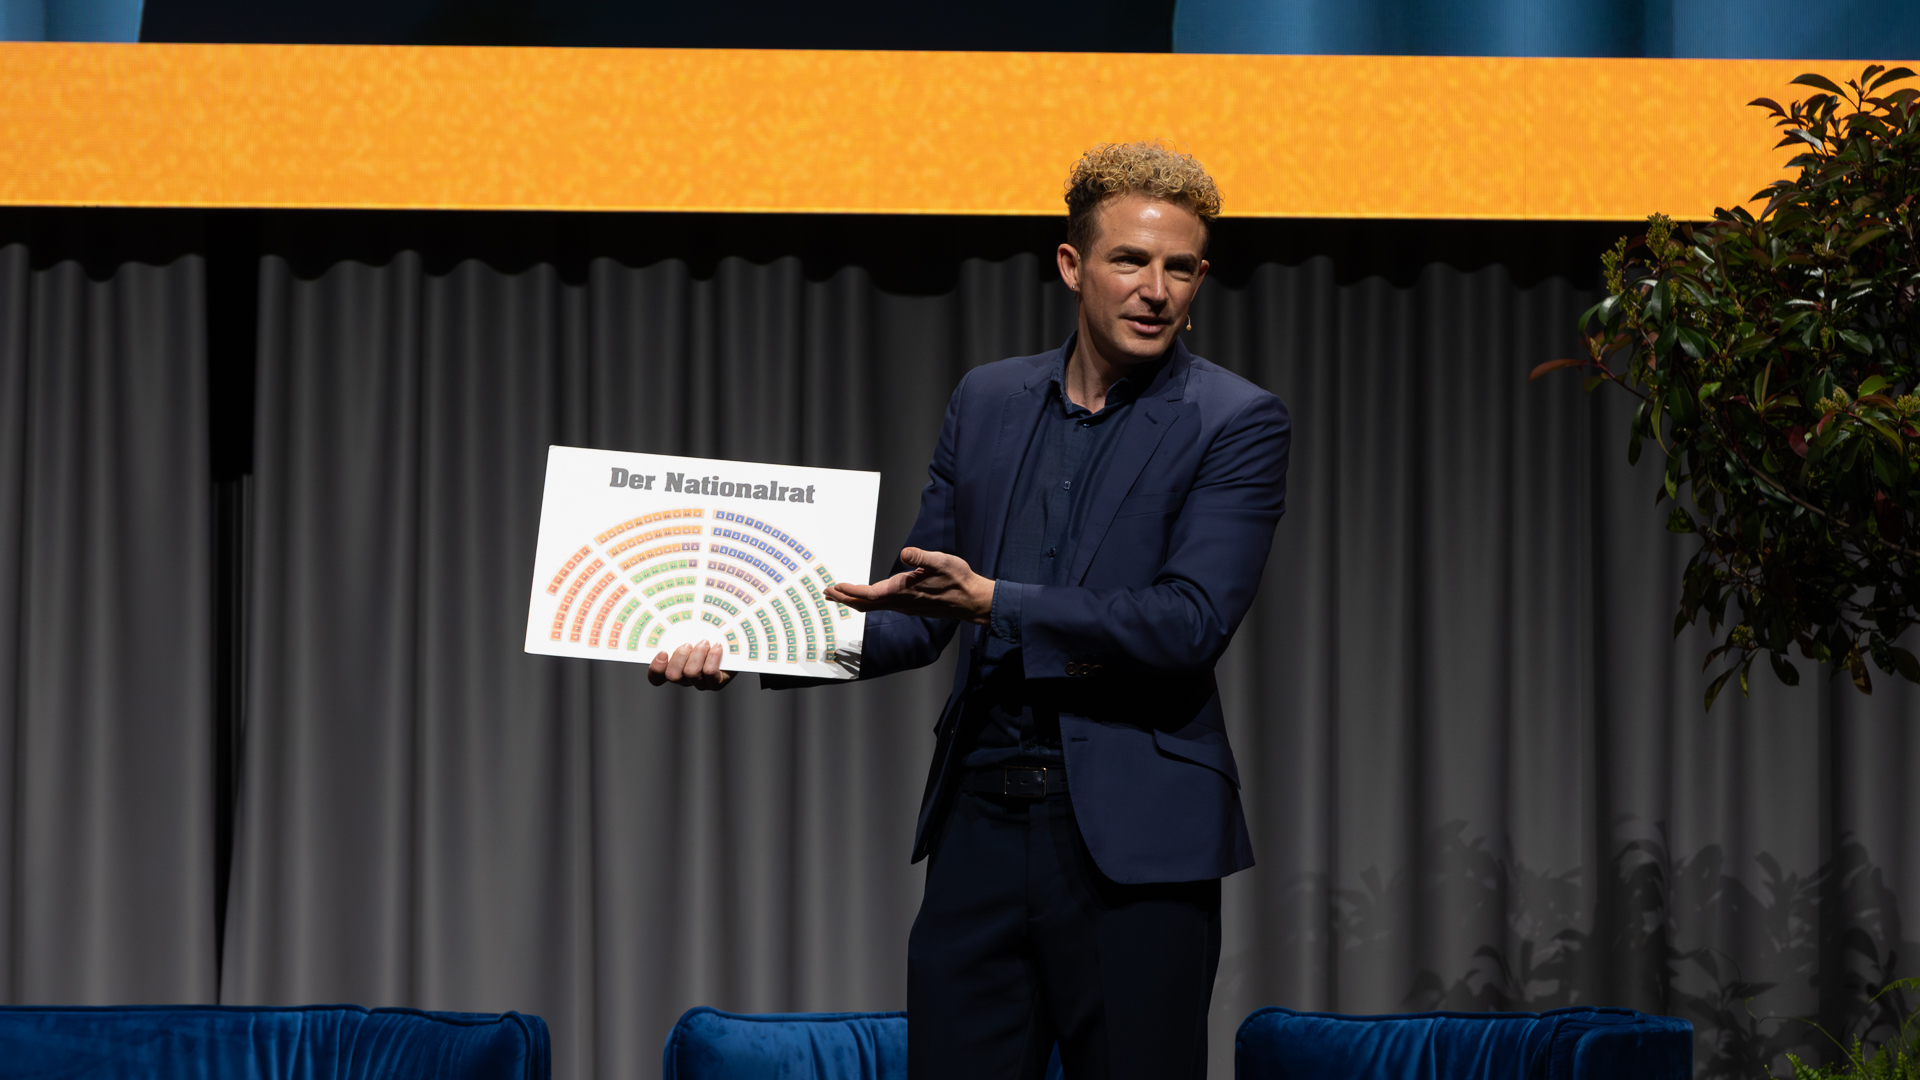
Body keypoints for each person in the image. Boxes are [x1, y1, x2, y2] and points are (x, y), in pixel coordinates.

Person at [649, 142, 1292, 1080]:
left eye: (1180, 267)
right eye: (1129, 260)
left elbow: (1188, 623)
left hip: (1137, 848)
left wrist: (997, 601)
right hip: (979, 833)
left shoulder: (1234, 419)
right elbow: (914, 618)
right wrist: (742, 642)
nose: (1155, 289)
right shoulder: (987, 401)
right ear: (1072, 265)